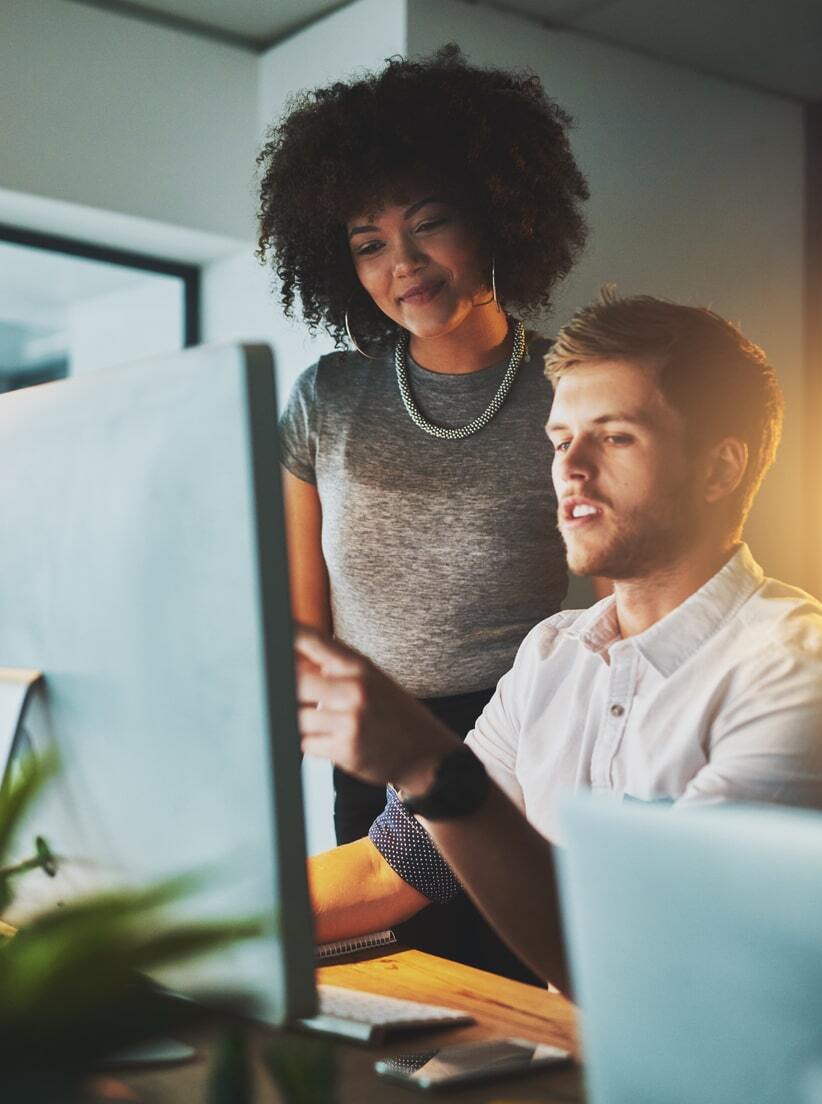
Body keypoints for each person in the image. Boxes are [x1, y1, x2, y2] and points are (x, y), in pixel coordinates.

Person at [295, 291, 822, 995]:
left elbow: (646, 971)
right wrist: (163, 918)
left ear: (720, 469)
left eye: (614, 436)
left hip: (724, 1103)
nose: (569, 469)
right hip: (562, 1077)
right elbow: (394, 865)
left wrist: (429, 764)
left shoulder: (792, 676)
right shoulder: (551, 654)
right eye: (559, 439)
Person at [256, 47, 589, 978]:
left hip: (511, 744)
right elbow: (300, 620)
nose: (402, 265)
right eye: (368, 243)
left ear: (497, 216)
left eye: (429, 225)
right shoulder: (328, 397)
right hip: (363, 740)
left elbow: (615, 612)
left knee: (513, 996)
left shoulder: (572, 387)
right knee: (380, 998)